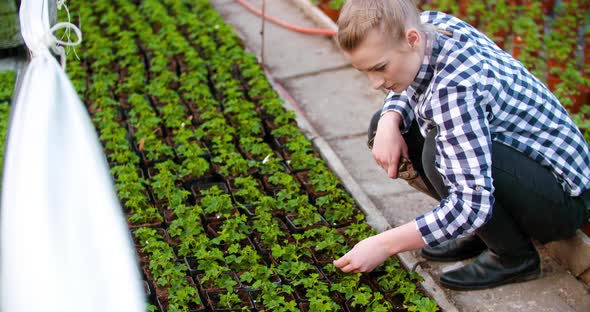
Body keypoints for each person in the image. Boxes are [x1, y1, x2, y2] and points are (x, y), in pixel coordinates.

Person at [332, 0, 590, 290]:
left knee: (437, 154)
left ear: (412, 40)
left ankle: (513, 256)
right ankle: (489, 233)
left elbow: (471, 203)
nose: (374, 83)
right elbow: (413, 78)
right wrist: (390, 120)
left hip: (562, 200)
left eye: (380, 68)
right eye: (364, 71)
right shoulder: (426, 27)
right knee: (386, 123)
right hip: (525, 167)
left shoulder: (455, 90)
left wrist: (384, 244)